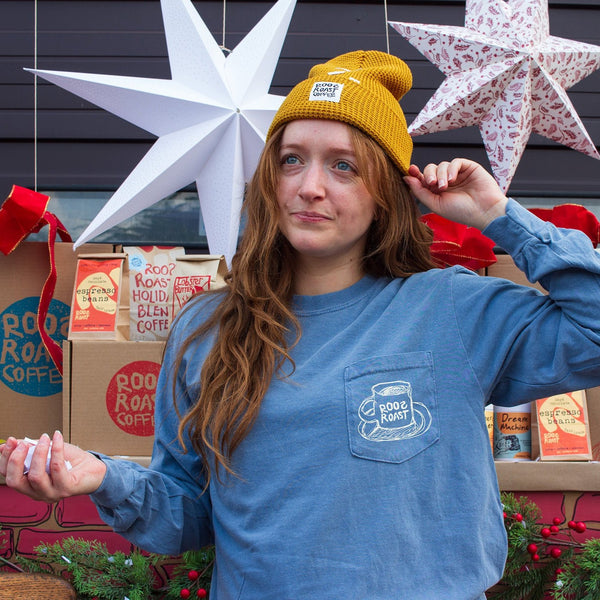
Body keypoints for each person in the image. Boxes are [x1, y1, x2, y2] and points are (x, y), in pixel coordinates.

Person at [2, 50, 600, 599]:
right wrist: (104, 478)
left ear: (387, 192)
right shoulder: (207, 329)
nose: (310, 187)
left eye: (344, 166)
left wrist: (500, 215)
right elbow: (186, 514)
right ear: (270, 179)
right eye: (293, 160)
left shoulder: (452, 309)